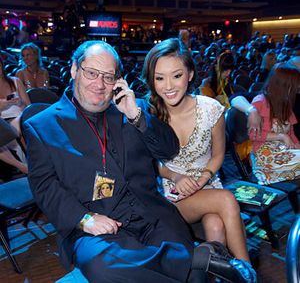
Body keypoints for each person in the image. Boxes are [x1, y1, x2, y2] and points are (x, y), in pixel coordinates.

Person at [23, 40, 255, 283]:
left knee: (184, 262)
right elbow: (44, 186)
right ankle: (196, 259)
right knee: (103, 268)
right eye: (91, 73)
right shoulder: (41, 126)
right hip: (96, 226)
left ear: (118, 80)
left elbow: (169, 149)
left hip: (150, 215)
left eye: (108, 77)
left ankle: (191, 263)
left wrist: (135, 116)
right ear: (74, 70)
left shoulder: (134, 108)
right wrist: (85, 219)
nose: (99, 84)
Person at [142, 38, 252, 264]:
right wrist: (175, 176)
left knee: (215, 225)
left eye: (177, 75)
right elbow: (149, 162)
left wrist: (202, 179)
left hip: (208, 184)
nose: (169, 86)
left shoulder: (211, 109)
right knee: (226, 200)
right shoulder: (148, 114)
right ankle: (246, 271)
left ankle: (219, 276)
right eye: (159, 78)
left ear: (190, 74)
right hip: (174, 195)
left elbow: (219, 154)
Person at [249, 63, 300, 185]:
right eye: (294, 87)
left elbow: (292, 133)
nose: (297, 90)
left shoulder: (286, 104)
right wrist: (282, 136)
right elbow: (254, 135)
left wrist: (297, 145)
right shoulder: (260, 102)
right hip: (264, 154)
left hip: (283, 151)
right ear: (283, 86)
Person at [0, 56, 30, 173]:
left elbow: (29, 107)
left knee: (22, 122)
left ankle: (30, 162)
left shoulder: (15, 81)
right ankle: (23, 165)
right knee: (7, 130)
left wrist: (21, 103)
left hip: (20, 116)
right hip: (2, 121)